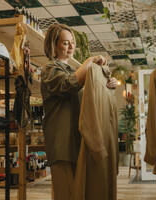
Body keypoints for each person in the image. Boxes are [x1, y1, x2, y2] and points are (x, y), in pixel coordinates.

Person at [41, 24, 117, 200]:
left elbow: (88, 100)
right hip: (62, 145)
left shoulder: (72, 70)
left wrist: (106, 86)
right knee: (65, 193)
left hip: (77, 142)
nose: (71, 47)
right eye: (66, 43)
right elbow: (69, 84)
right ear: (54, 45)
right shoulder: (50, 70)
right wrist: (89, 62)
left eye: (72, 43)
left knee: (78, 194)